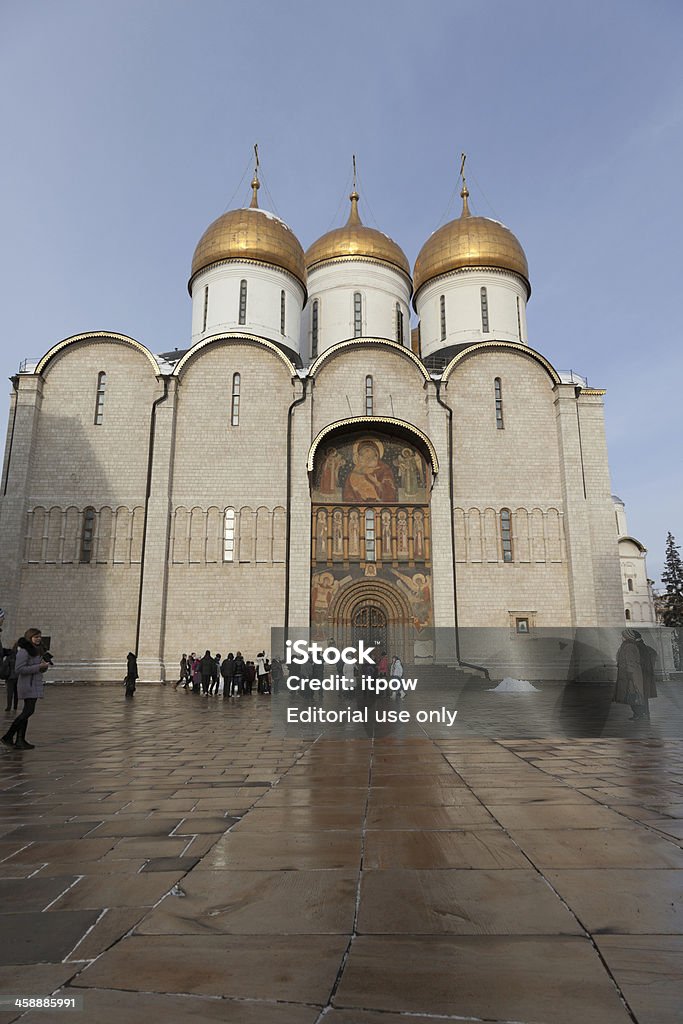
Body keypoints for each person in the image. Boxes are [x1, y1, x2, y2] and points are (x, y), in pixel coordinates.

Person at [1, 628, 50, 749]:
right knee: (28, 711)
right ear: (30, 638)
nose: (38, 639)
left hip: (34, 683)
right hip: (27, 684)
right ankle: (8, 736)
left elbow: (37, 667)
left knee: (27, 712)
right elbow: (19, 669)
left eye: (39, 636)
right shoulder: (24, 651)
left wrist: (43, 667)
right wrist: (38, 667)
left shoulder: (37, 650)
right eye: (36, 637)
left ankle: (20, 740)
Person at [614, 628, 658, 720]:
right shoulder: (642, 645)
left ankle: (639, 714)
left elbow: (631, 663)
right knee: (641, 695)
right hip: (642, 674)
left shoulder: (633, 646)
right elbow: (653, 654)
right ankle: (644, 713)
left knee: (635, 695)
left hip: (637, 675)